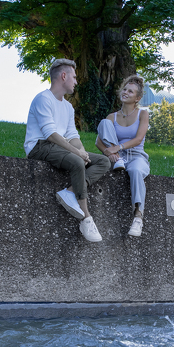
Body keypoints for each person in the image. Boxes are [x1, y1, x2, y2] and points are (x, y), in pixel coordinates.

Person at [25, 59, 110, 243]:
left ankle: (71, 191)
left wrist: (83, 151)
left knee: (103, 161)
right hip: (39, 146)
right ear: (63, 76)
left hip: (58, 147)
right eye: (74, 77)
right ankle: (86, 218)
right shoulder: (43, 99)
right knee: (77, 162)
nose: (76, 81)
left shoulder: (68, 107)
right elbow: (50, 134)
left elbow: (72, 134)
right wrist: (77, 154)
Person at [95, 74, 150, 237]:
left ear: (137, 98)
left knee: (136, 172)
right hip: (118, 157)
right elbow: (99, 142)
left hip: (136, 156)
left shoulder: (142, 114)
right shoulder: (112, 117)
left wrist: (117, 147)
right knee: (104, 123)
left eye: (130, 91)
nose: (125, 92)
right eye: (125, 89)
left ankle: (138, 217)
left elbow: (138, 138)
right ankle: (117, 161)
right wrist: (109, 152)